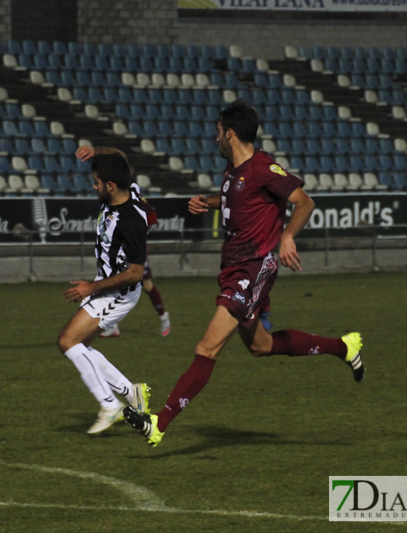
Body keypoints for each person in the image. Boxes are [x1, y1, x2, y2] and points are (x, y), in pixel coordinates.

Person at [124, 100, 365, 447]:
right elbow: (240, 201)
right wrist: (208, 202)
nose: (215, 139)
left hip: (253, 269)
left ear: (231, 133)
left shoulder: (263, 167)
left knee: (207, 348)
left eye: (218, 133)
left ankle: (158, 423)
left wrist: (286, 237)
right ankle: (343, 346)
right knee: (261, 347)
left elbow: (305, 201)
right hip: (235, 267)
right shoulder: (234, 171)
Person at [57, 145, 151, 435]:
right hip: (106, 288)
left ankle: (110, 405)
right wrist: (96, 150)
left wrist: (91, 287)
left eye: (97, 183)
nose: (94, 186)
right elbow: (121, 156)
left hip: (118, 293)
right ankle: (131, 392)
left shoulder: (132, 220)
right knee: (80, 346)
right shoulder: (127, 190)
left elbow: (136, 272)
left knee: (68, 341)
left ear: (111, 186)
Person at [100, 183, 171, 338]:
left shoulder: (136, 201)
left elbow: (152, 218)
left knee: (146, 285)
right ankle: (112, 325)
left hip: (136, 250)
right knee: (113, 282)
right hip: (120, 249)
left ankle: (164, 318)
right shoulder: (114, 202)